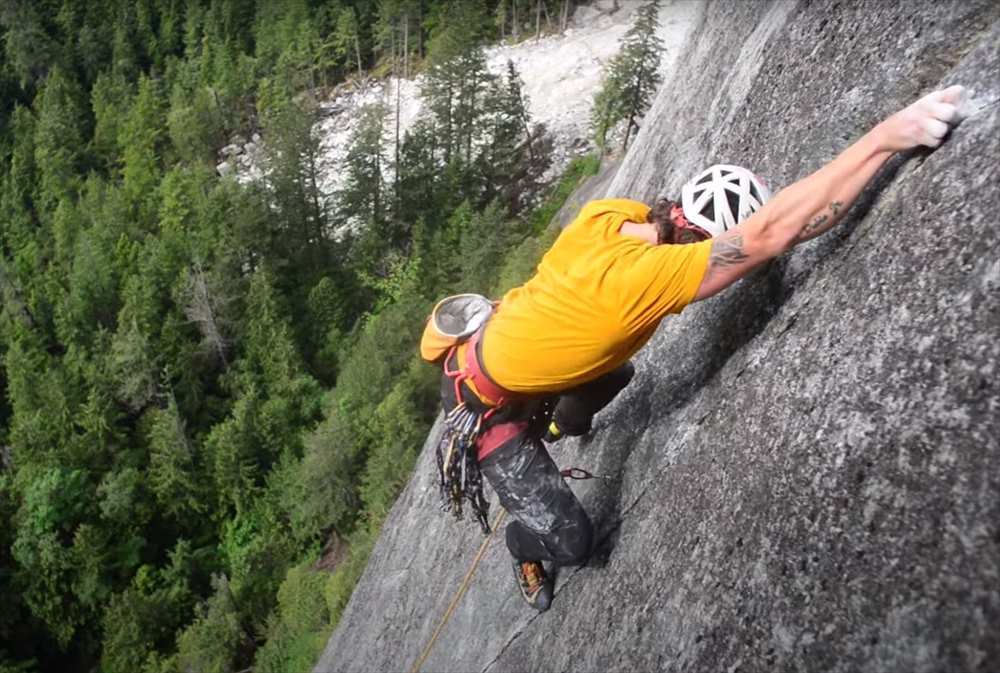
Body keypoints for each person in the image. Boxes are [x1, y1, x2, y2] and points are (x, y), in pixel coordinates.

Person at [425, 85, 969, 611]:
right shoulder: (646, 282)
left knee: (616, 374)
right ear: (704, 245)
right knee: (574, 543)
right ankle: (523, 543)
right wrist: (882, 139)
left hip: (498, 345)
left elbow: (776, 229)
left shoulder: (612, 216)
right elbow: (772, 234)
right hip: (485, 408)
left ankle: (559, 423)